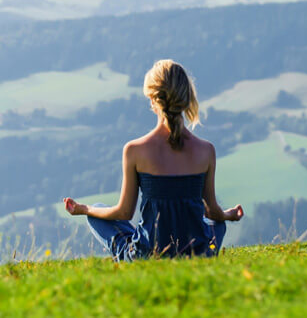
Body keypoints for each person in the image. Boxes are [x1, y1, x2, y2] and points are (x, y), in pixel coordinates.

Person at [63, 59, 243, 261]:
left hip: (148, 255)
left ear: (152, 99)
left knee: (97, 209)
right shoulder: (206, 150)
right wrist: (229, 215)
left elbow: (123, 212)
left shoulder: (134, 150)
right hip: (197, 253)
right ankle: (201, 252)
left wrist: (83, 209)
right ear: (187, 98)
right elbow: (213, 212)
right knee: (217, 225)